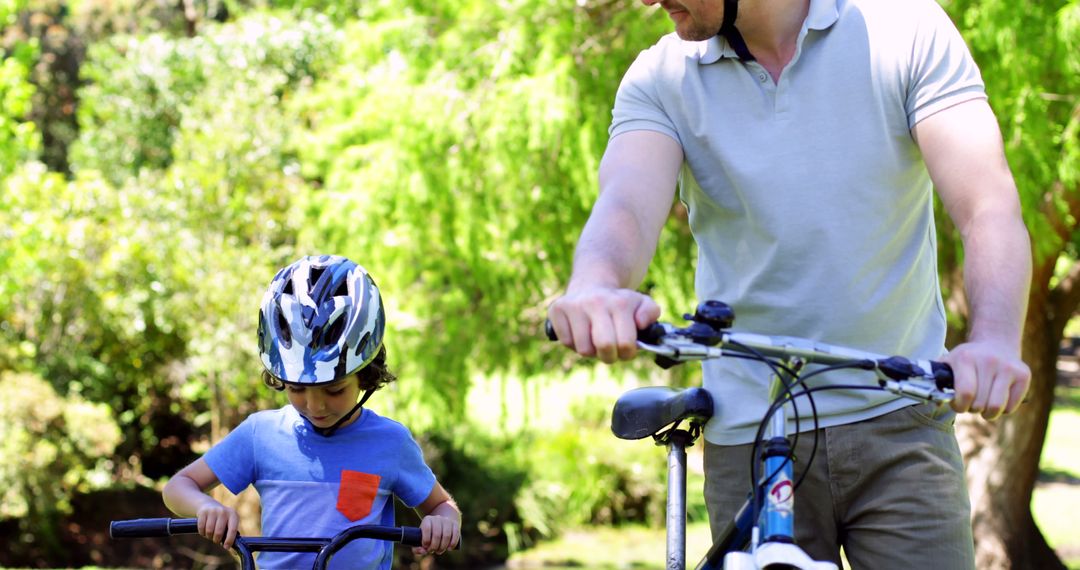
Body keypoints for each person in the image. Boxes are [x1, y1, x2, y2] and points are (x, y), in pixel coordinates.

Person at [546, 0, 1031, 567]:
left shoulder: (905, 29)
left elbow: (986, 205)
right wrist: (596, 284)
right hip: (749, 435)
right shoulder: (661, 76)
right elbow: (625, 204)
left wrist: (996, 337)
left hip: (902, 423)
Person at [163, 255, 461, 569]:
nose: (315, 405)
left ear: (366, 375)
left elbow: (441, 505)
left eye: (335, 390)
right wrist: (205, 508)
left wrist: (442, 522)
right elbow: (178, 487)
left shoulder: (390, 442)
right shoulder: (260, 434)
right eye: (297, 389)